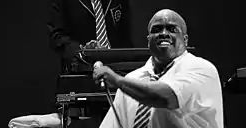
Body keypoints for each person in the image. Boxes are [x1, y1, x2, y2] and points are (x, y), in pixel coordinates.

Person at [93, 9, 224, 128]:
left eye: (172, 29)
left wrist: (117, 81)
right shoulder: (132, 80)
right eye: (157, 29)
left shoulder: (201, 69)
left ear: (185, 40)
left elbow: (166, 98)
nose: (163, 34)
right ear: (148, 40)